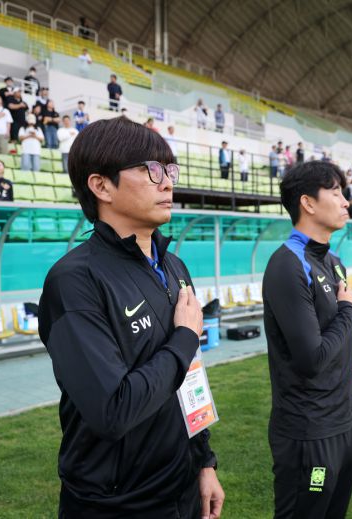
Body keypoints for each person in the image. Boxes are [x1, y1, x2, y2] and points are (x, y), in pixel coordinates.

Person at [38, 116, 223, 517]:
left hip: (182, 487)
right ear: (101, 185)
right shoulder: (74, 281)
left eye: (169, 170)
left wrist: (204, 461)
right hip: (115, 504)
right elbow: (113, 410)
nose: (167, 182)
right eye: (150, 170)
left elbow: (190, 375)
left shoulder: (173, 266)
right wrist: (184, 339)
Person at [263, 161, 352, 519]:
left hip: (342, 425)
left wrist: (350, 409)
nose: (346, 201)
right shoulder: (287, 264)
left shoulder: (333, 261)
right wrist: (349, 311)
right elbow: (312, 357)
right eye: (335, 192)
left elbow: (339, 355)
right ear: (308, 202)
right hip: (308, 431)